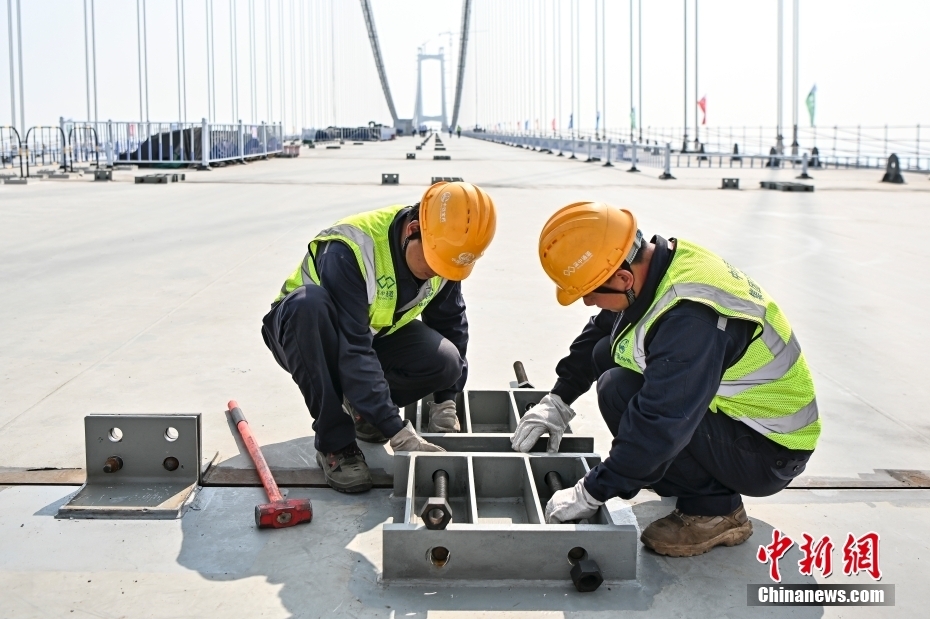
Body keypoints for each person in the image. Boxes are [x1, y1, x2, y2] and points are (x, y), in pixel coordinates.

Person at [512, 202, 820, 557]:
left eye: (590, 292)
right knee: (606, 355)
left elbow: (660, 423)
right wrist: (559, 399)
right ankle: (689, 476)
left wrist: (592, 491)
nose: (587, 302)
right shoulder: (659, 268)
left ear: (623, 279)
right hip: (736, 422)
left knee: (621, 393)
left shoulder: (692, 321)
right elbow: (602, 330)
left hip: (769, 449)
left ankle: (715, 510)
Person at [263, 182, 497, 493]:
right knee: (309, 304)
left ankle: (363, 410)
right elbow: (353, 348)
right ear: (413, 230)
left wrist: (446, 400)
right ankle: (335, 443)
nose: (438, 272)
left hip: (371, 334)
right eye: (435, 262)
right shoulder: (351, 249)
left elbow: (451, 323)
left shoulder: (445, 257)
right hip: (305, 334)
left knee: (446, 361)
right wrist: (395, 429)